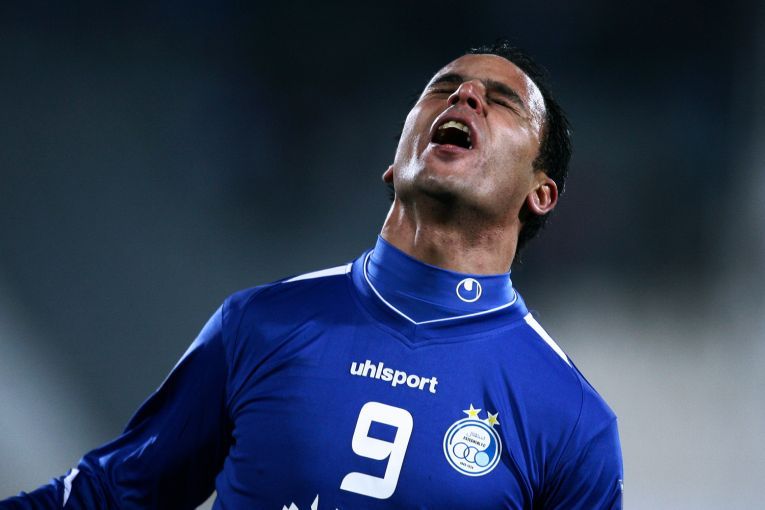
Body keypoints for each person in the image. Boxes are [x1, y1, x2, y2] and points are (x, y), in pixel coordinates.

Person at [1, 40, 623, 509]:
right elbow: (110, 495)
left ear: (542, 193)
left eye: (502, 100)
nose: (464, 98)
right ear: (395, 162)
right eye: (443, 88)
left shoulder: (570, 420)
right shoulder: (260, 324)